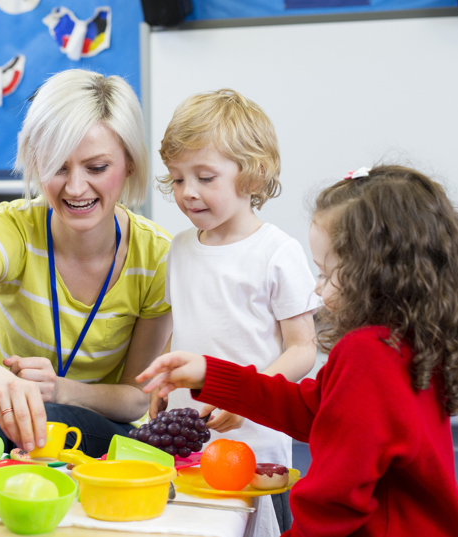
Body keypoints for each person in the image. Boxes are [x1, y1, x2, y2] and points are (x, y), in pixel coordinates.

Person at [137, 165, 458, 537]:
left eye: (326, 273)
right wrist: (214, 376)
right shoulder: (407, 342)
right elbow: (316, 411)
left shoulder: (369, 355)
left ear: (375, 274)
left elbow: (333, 499)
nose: (316, 289)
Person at [0, 69, 173, 457]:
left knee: (53, 420)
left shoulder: (157, 257)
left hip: (102, 433)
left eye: (96, 168)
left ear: (129, 164)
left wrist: (60, 390)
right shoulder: (6, 232)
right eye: (58, 166)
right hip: (2, 426)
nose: (75, 188)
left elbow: (136, 400)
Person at [155, 89, 319, 535]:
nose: (187, 193)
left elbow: (303, 349)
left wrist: (246, 397)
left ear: (253, 176)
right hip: (191, 440)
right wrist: (164, 380)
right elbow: (183, 329)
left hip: (257, 444)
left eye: (205, 177)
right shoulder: (180, 248)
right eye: (176, 179)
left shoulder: (278, 252)